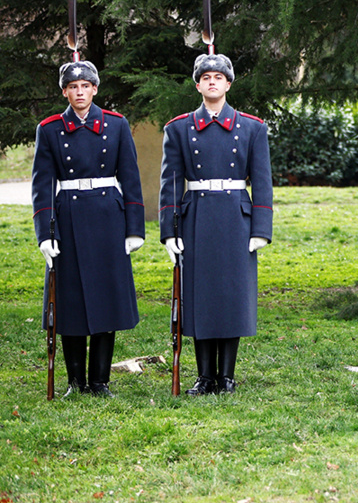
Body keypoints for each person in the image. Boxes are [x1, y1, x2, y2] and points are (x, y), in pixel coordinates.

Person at [159, 52, 272, 395]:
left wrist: (260, 230)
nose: (212, 82)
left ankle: (227, 376)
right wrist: (169, 232)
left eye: (218, 78)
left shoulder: (252, 128)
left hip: (236, 219)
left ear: (228, 84)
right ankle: (204, 376)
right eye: (206, 77)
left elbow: (263, 182)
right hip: (197, 219)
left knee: (232, 298)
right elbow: (170, 184)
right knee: (201, 298)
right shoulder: (178, 128)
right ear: (197, 85)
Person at [33, 60, 145, 397]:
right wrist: (45, 234)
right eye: (73, 87)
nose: (79, 92)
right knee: (69, 303)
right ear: (65, 91)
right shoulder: (50, 129)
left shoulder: (116, 124)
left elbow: (130, 177)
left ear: (95, 88)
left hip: (107, 216)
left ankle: (100, 382)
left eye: (85, 86)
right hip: (67, 217)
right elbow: (41, 187)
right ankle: (75, 382)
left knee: (106, 300)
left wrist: (134, 228)